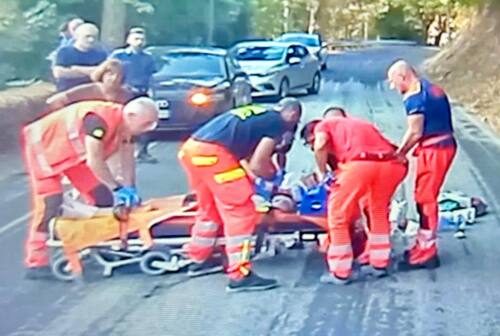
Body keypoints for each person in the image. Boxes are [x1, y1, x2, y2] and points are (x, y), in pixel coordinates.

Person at [21, 97, 159, 279]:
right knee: (50, 204)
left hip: (72, 155)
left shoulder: (126, 124)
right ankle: (36, 262)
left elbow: (127, 158)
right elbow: (95, 161)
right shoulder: (98, 121)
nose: (150, 128)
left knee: (101, 197)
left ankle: (100, 244)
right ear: (131, 115)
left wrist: (130, 188)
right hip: (44, 150)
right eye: (147, 123)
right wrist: (118, 188)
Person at [177, 98, 302, 292]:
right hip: (215, 154)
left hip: (192, 149)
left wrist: (259, 175)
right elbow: (258, 164)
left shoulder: (258, 113)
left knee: (209, 208)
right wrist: (273, 183)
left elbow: (249, 156)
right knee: (241, 211)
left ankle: (199, 258)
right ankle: (239, 275)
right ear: (293, 115)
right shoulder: (277, 123)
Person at [303, 112, 407, 285]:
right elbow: (393, 149)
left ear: (312, 135)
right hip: (391, 164)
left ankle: (340, 271)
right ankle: (379, 262)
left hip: (360, 164)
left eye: (310, 144)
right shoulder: (360, 124)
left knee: (337, 215)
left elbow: (321, 145)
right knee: (378, 210)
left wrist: (322, 172)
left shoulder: (323, 125)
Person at [387, 60, 457, 270]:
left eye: (393, 82)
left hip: (435, 150)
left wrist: (400, 153)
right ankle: (423, 246)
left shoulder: (414, 98)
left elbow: (415, 132)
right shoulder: (432, 88)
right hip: (443, 145)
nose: (393, 87)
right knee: (424, 197)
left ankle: (427, 252)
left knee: (425, 199)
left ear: (403, 76)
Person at [111, 27, 158, 164]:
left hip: (141, 92)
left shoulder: (148, 58)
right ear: (128, 40)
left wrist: (152, 92)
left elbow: (151, 76)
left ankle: (143, 152)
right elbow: (110, 71)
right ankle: (117, 151)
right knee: (120, 121)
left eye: (142, 39)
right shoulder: (118, 55)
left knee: (145, 122)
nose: (139, 42)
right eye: (136, 39)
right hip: (123, 92)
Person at [46, 59, 138, 112]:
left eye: (118, 75)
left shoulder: (127, 96)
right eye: (110, 74)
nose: (114, 78)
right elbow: (56, 101)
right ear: (102, 74)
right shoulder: (89, 90)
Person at [53, 23, 108, 92]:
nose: (91, 40)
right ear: (77, 36)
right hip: (67, 91)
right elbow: (59, 73)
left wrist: (77, 69)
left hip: (92, 93)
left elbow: (103, 74)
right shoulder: (64, 52)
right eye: (87, 36)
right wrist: (91, 71)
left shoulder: (101, 54)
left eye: (94, 37)